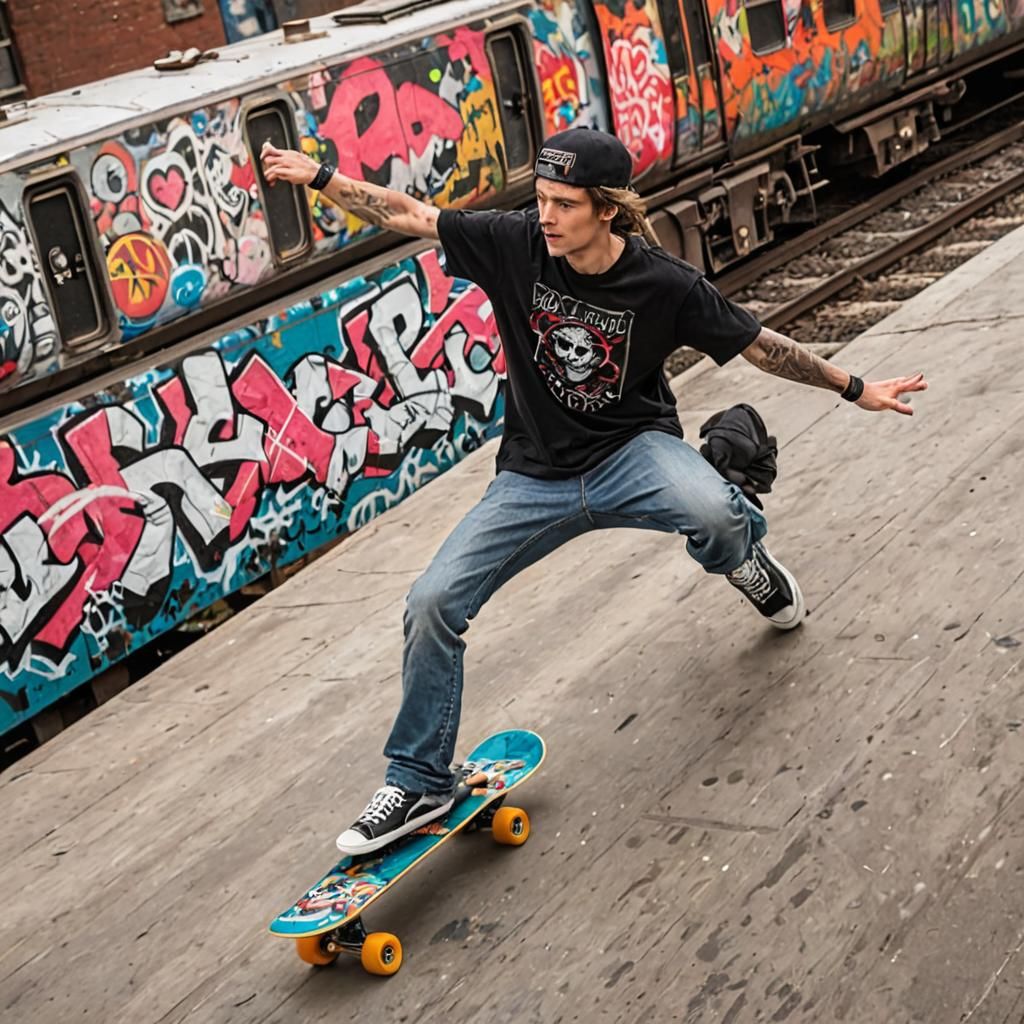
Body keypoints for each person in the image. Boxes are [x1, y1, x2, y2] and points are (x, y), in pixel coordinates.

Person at [261, 129, 927, 855]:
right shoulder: (516, 243)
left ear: (608, 210)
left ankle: (744, 564)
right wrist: (323, 178)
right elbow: (411, 215)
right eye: (541, 200)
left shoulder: (665, 284)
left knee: (714, 513)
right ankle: (420, 779)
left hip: (632, 454)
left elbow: (761, 343)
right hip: (533, 475)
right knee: (432, 602)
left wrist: (855, 387)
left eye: (564, 205)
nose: (545, 217)